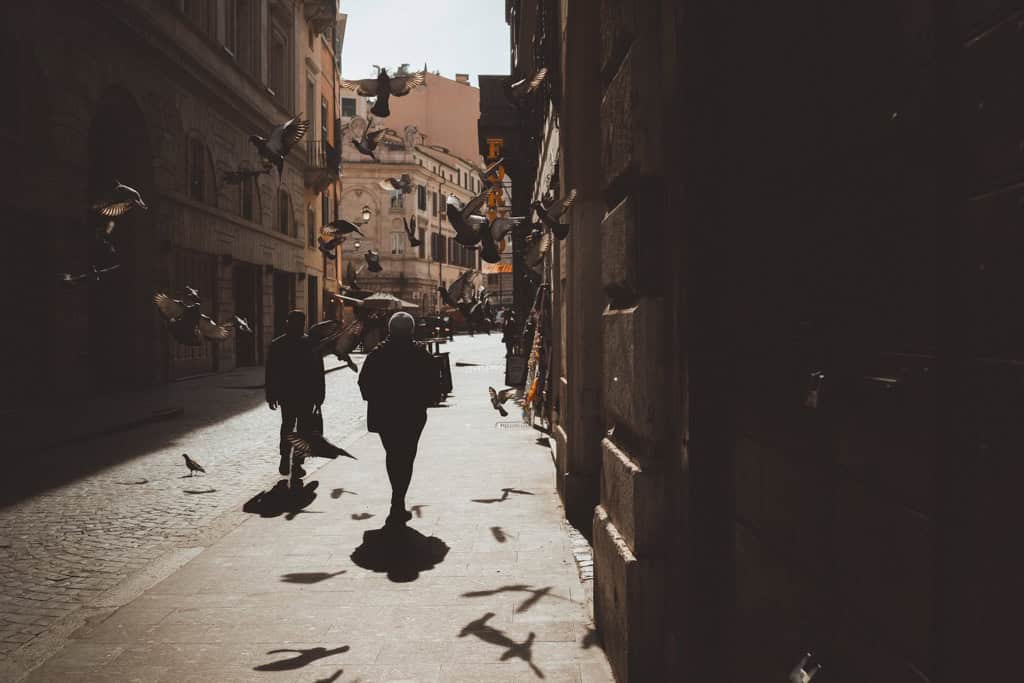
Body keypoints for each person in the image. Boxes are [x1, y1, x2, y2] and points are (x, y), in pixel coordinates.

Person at [358, 311, 438, 526]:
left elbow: (364, 384)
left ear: (390, 330)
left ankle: (397, 497)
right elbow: (434, 383)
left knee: (393, 453)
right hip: (412, 413)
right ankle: (399, 497)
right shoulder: (420, 353)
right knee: (407, 454)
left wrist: (377, 398)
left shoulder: (378, 353)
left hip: (386, 413)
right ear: (411, 330)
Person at [266, 310, 325, 477]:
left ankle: (286, 458)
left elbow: (271, 373)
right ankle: (296, 463)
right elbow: (318, 372)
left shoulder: (278, 344)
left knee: (287, 426)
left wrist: (271, 394)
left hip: (288, 394)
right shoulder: (311, 344)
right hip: (305, 395)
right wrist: (320, 396)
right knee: (303, 430)